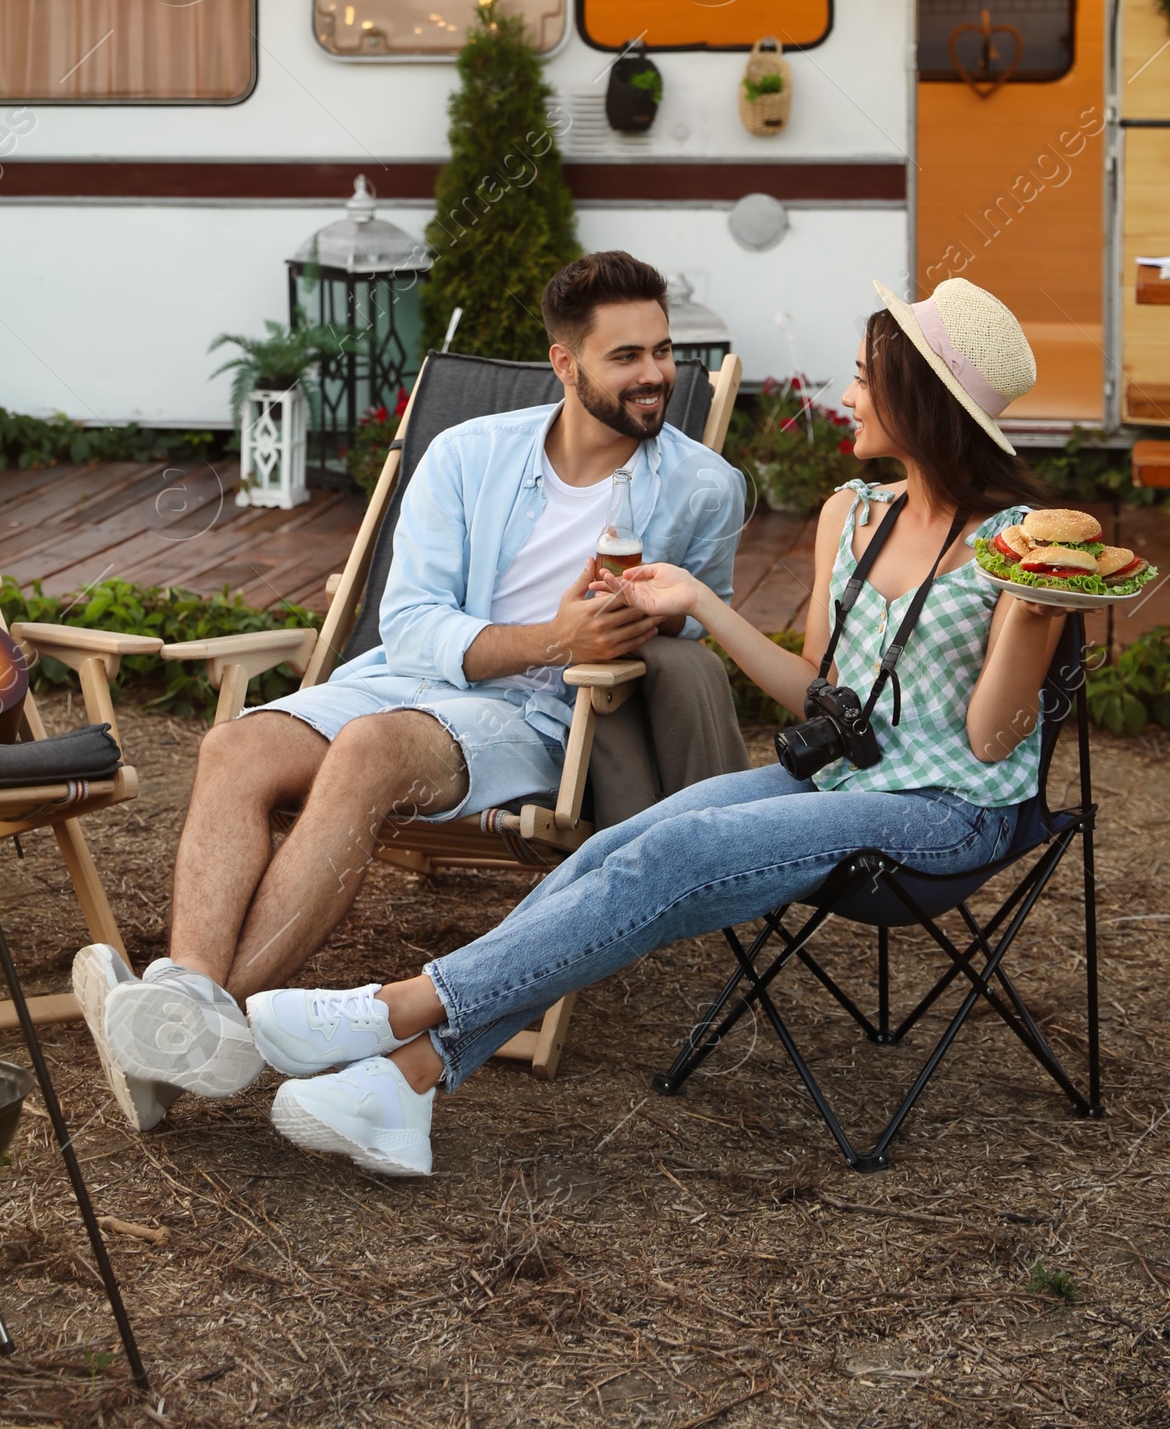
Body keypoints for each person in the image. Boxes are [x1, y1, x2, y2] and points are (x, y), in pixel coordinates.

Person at [245, 275, 1073, 1179]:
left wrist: (1033, 617)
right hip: (846, 776)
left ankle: (396, 1010)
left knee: (678, 854)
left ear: (923, 398)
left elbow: (995, 743)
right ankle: (403, 1088)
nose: (847, 395)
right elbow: (820, 696)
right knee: (618, 846)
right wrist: (697, 605)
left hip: (952, 811)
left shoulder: (1025, 544)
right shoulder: (854, 514)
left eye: (867, 378)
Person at [73, 249, 747, 1133]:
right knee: (232, 744)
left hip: (542, 714)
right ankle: (192, 1002)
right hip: (410, 677)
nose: (656, 374)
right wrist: (553, 631)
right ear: (566, 362)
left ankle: (204, 1024)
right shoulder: (466, 453)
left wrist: (642, 626)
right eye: (627, 357)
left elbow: (705, 618)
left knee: (372, 749)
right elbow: (414, 622)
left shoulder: (703, 485)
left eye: (664, 352)